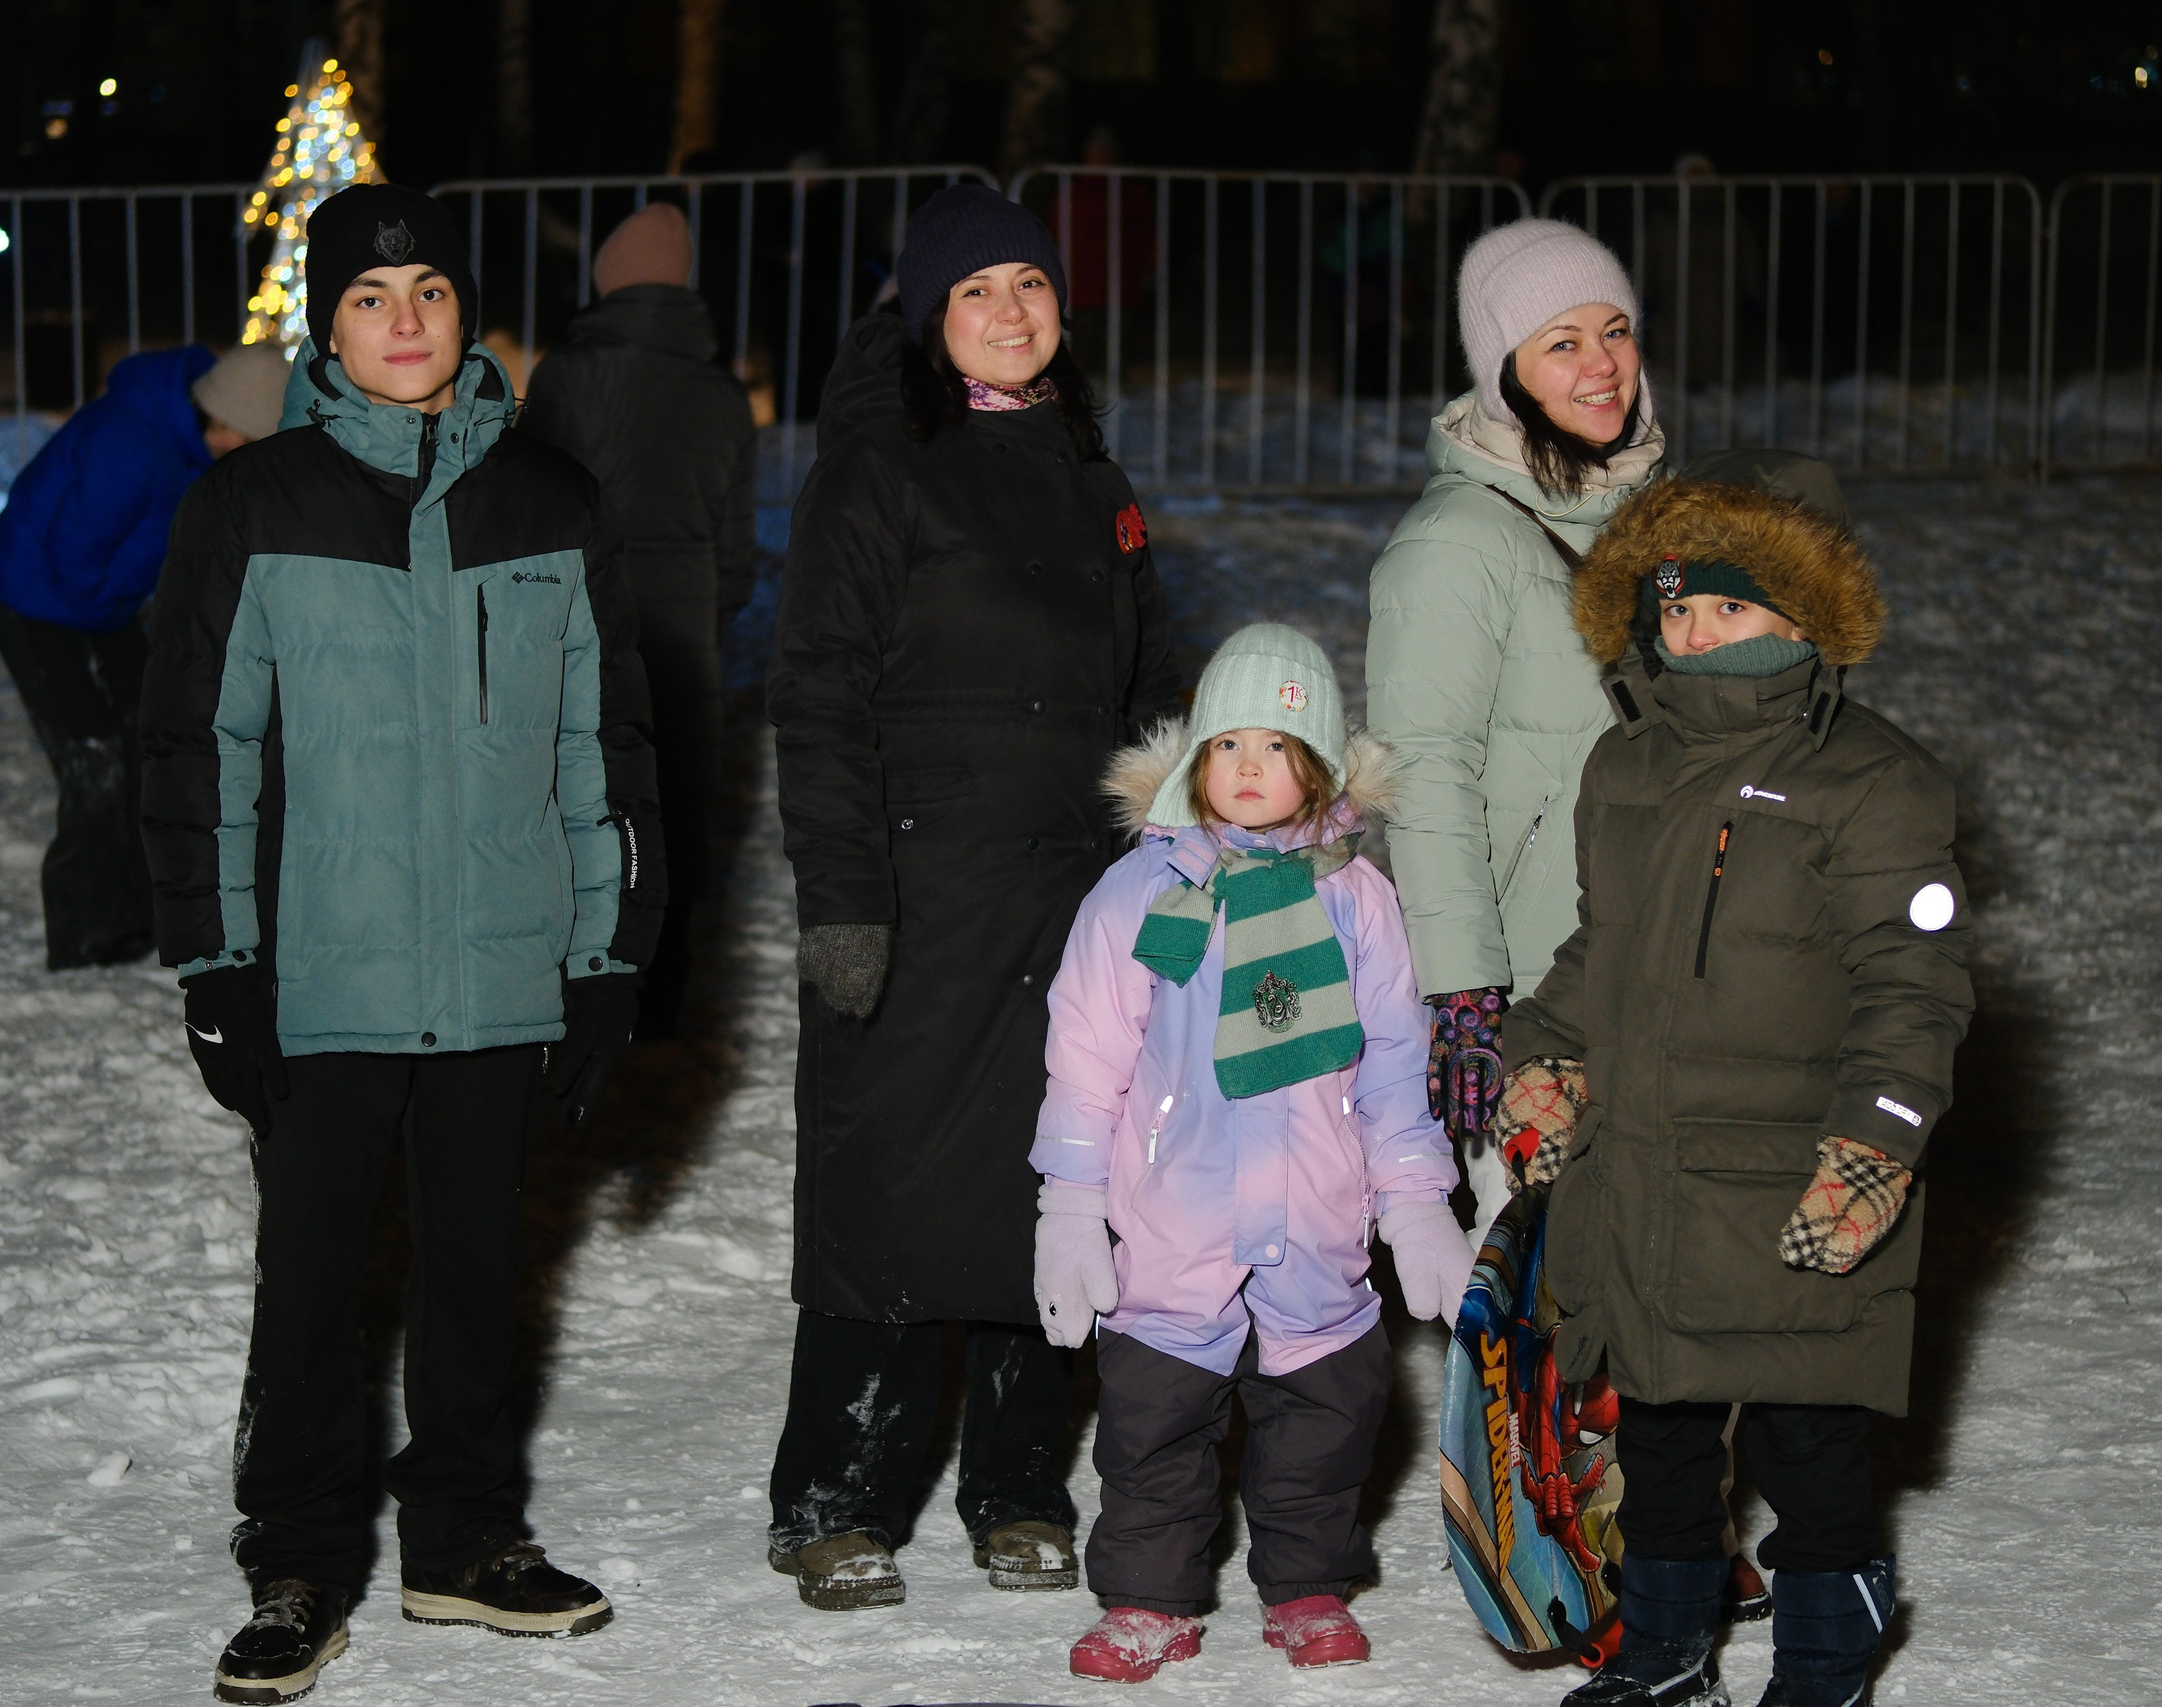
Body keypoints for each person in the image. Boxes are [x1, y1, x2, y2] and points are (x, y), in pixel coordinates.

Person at [139, 183, 664, 1706]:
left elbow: (603, 747)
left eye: (430, 291)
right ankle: (297, 1554)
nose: (406, 322)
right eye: (371, 299)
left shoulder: (552, 502)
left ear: (467, 310)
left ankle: (464, 1536)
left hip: (502, 967)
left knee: (478, 1267)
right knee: (310, 1278)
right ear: (326, 324)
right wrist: (217, 964)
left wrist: (610, 954)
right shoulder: (255, 504)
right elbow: (199, 747)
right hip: (320, 976)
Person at [765, 182, 1186, 1612]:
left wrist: (1187, 849)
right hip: (916, 887)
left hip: (1074, 899)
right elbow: (817, 687)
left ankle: (1017, 1482)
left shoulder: (1092, 474)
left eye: (1031, 286)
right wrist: (844, 891)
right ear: (928, 318)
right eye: (976, 292)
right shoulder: (879, 467)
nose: (1011, 314)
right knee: (886, 1182)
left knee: (1056, 1176)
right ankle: (836, 1492)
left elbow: (1150, 695)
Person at [1496, 467, 1973, 1707]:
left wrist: (1871, 1149)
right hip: (1644, 1167)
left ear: (1804, 622)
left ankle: (1828, 1647)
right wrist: (1546, 1056)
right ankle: (1663, 1648)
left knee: (1804, 1430)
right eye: (1675, 610)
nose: (1695, 633)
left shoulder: (1870, 783)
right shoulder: (1627, 766)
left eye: (1730, 609)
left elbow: (1911, 992)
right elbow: (1602, 946)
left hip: (1784, 1171)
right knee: (1655, 1423)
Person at [1029, 624, 1473, 1682]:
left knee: (1322, 1428)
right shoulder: (1139, 892)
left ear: (1316, 764)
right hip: (1171, 1225)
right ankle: (1147, 1598)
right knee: (1150, 1433)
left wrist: (1414, 1206)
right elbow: (1085, 1058)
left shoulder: (1356, 901)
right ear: (1194, 761)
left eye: (1275, 748)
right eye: (1227, 746)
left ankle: (1307, 1581)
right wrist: (1068, 1202)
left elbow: (1388, 1069)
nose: (1247, 769)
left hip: (1316, 1227)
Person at [1363, 218, 1666, 1258]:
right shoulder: (1455, 545)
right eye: (1561, 342)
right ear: (1505, 374)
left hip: (1667, 961)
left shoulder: (1665, 521)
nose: (1602, 366)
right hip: (1535, 986)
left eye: (1614, 330)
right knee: (1542, 1307)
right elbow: (1424, 773)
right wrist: (1464, 994)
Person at [521, 203, 758, 1040]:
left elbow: (530, 511)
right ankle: (663, 991)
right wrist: (707, 610)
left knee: (576, 792)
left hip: (580, 617)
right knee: (676, 802)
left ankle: (575, 974)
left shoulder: (562, 376)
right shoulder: (722, 393)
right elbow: (738, 548)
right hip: (686, 632)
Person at [0, 341, 286, 967]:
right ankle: (86, 936)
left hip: (99, 605)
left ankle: (143, 915)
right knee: (97, 759)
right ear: (224, 423)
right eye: (253, 440)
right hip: (37, 601)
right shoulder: (134, 443)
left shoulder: (189, 443)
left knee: (150, 742)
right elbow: (74, 554)